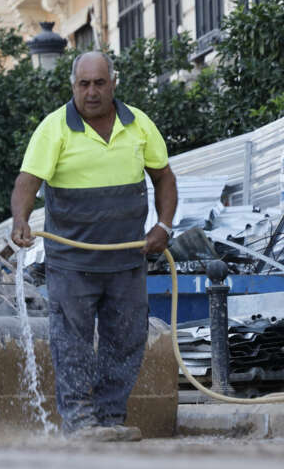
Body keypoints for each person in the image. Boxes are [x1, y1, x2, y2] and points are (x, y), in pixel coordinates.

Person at [10, 51, 177, 442]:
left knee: (127, 338)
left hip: (127, 259)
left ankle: (111, 418)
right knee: (73, 344)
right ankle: (80, 422)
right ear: (73, 87)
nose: (91, 92)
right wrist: (20, 219)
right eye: (84, 84)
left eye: (99, 83)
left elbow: (164, 178)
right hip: (72, 264)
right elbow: (27, 183)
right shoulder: (54, 129)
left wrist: (164, 226)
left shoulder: (139, 125)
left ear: (112, 83)